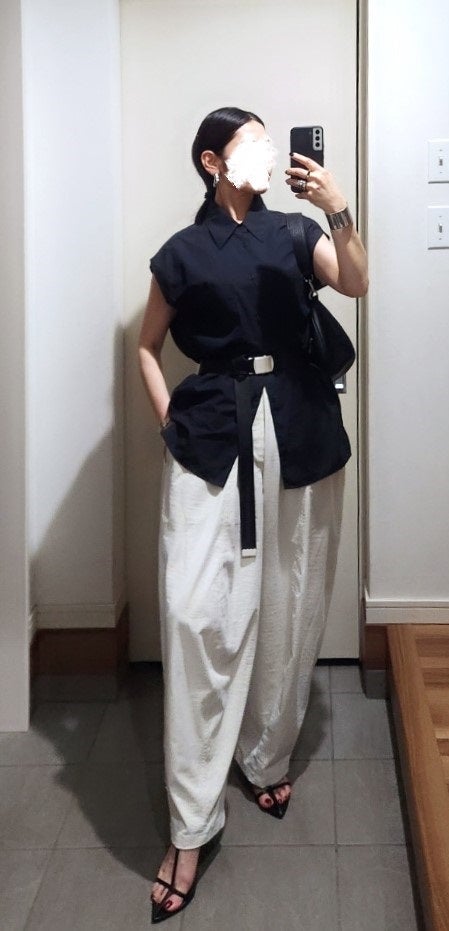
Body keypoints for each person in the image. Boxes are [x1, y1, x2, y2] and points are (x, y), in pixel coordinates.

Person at [137, 106, 368, 922]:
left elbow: (355, 282)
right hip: (212, 431)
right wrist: (168, 418)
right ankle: (190, 822)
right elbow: (146, 345)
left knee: (291, 598)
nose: (268, 154)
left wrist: (337, 208)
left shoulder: (293, 232)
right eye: (250, 143)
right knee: (194, 613)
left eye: (271, 142)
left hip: (300, 427)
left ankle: (265, 753)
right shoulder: (181, 251)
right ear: (211, 161)